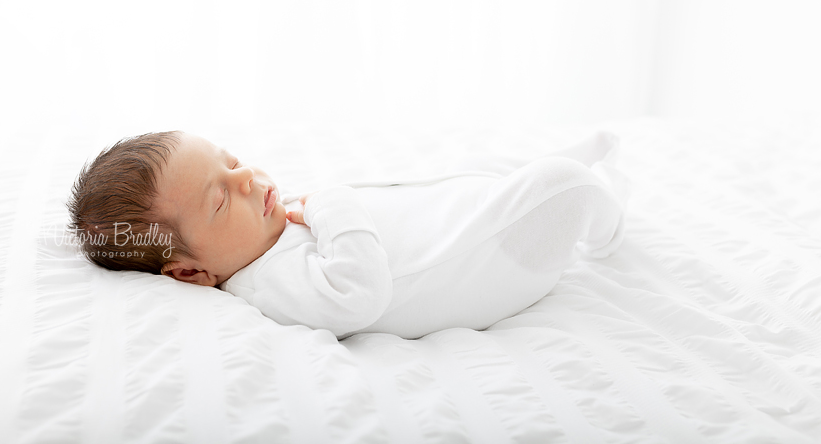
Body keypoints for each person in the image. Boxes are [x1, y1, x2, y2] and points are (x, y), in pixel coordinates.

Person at [67, 131, 628, 339]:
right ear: (190, 272)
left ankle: (537, 169)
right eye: (220, 199)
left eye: (231, 162)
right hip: (491, 257)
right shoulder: (267, 284)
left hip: (453, 213)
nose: (245, 179)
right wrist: (333, 207)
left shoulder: (258, 232)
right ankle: (601, 217)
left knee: (475, 162)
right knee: (562, 185)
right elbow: (359, 295)